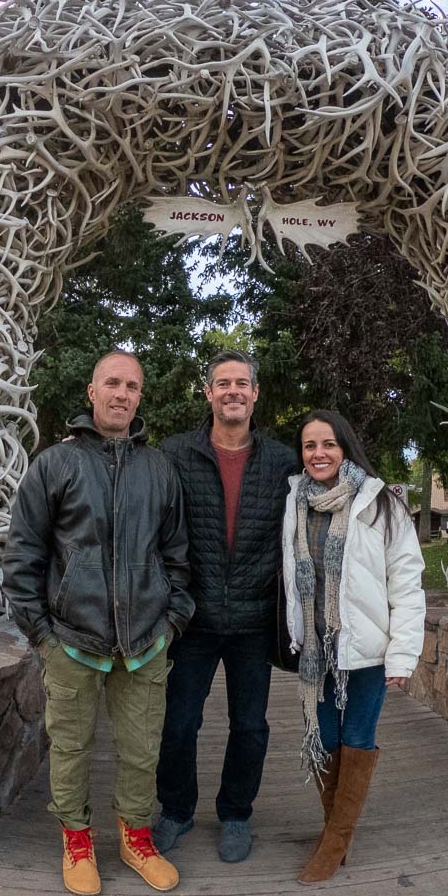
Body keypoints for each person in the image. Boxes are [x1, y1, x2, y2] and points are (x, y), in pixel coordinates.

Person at [2, 350, 195, 896]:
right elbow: (22, 559)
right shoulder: (54, 465)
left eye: (132, 386)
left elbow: (177, 557)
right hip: (71, 640)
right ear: (92, 391)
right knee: (70, 747)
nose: (122, 394)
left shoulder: (159, 469)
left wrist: (172, 623)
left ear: (140, 397)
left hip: (144, 643)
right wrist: (42, 636)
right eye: (112, 383)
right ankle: (77, 839)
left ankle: (136, 838)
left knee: (141, 749)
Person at [152, 350, 298, 862]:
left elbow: (327, 490)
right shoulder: (173, 454)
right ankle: (176, 809)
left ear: (255, 394)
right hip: (192, 617)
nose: (233, 391)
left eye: (242, 383)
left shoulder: (283, 461)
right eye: (223, 383)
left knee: (251, 727)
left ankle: (236, 813)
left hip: (254, 621)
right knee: (177, 724)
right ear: (209, 393)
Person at [280, 409, 425, 884]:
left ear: (345, 448)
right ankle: (334, 832)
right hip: (316, 654)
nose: (318, 454)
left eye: (328, 444)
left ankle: (335, 841)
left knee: (355, 739)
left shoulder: (379, 504)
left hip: (365, 653)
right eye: (309, 446)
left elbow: (406, 584)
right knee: (322, 740)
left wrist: (403, 655)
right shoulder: (294, 503)